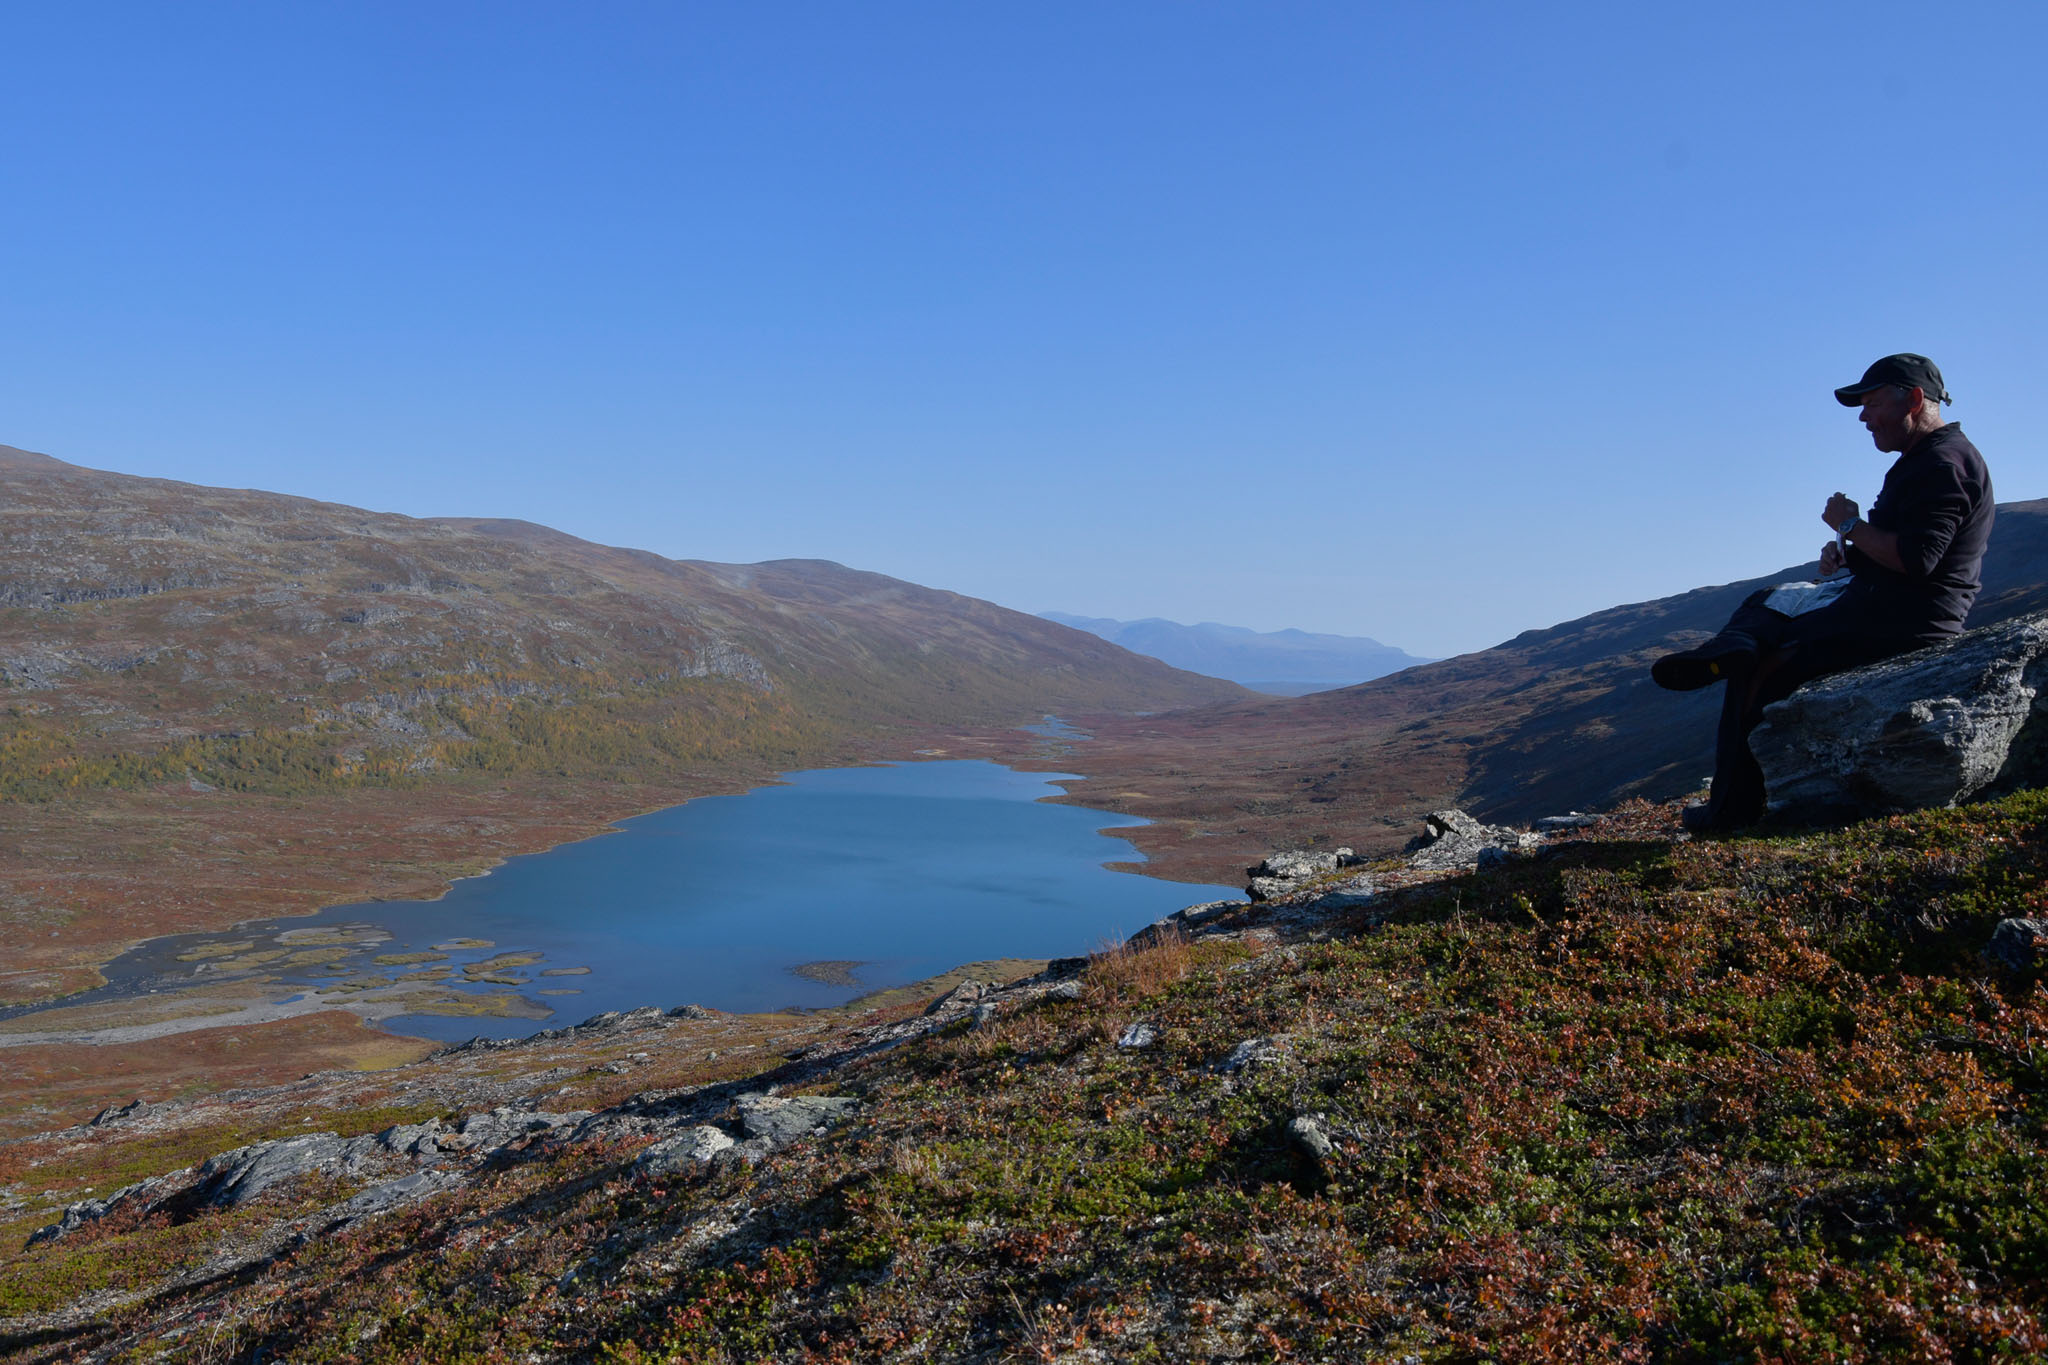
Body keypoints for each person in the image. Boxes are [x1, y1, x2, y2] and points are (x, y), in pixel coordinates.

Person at [1651, 353, 1993, 831]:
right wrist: (1849, 554)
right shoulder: (1927, 460)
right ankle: (1731, 649)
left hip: (1904, 620)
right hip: (1883, 603)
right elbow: (1907, 547)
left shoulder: (1942, 464)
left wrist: (1850, 525)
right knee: (1775, 598)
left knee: (1763, 673)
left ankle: (1732, 811)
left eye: (1872, 403)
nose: (1863, 417)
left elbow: (1919, 560)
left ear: (1914, 399)